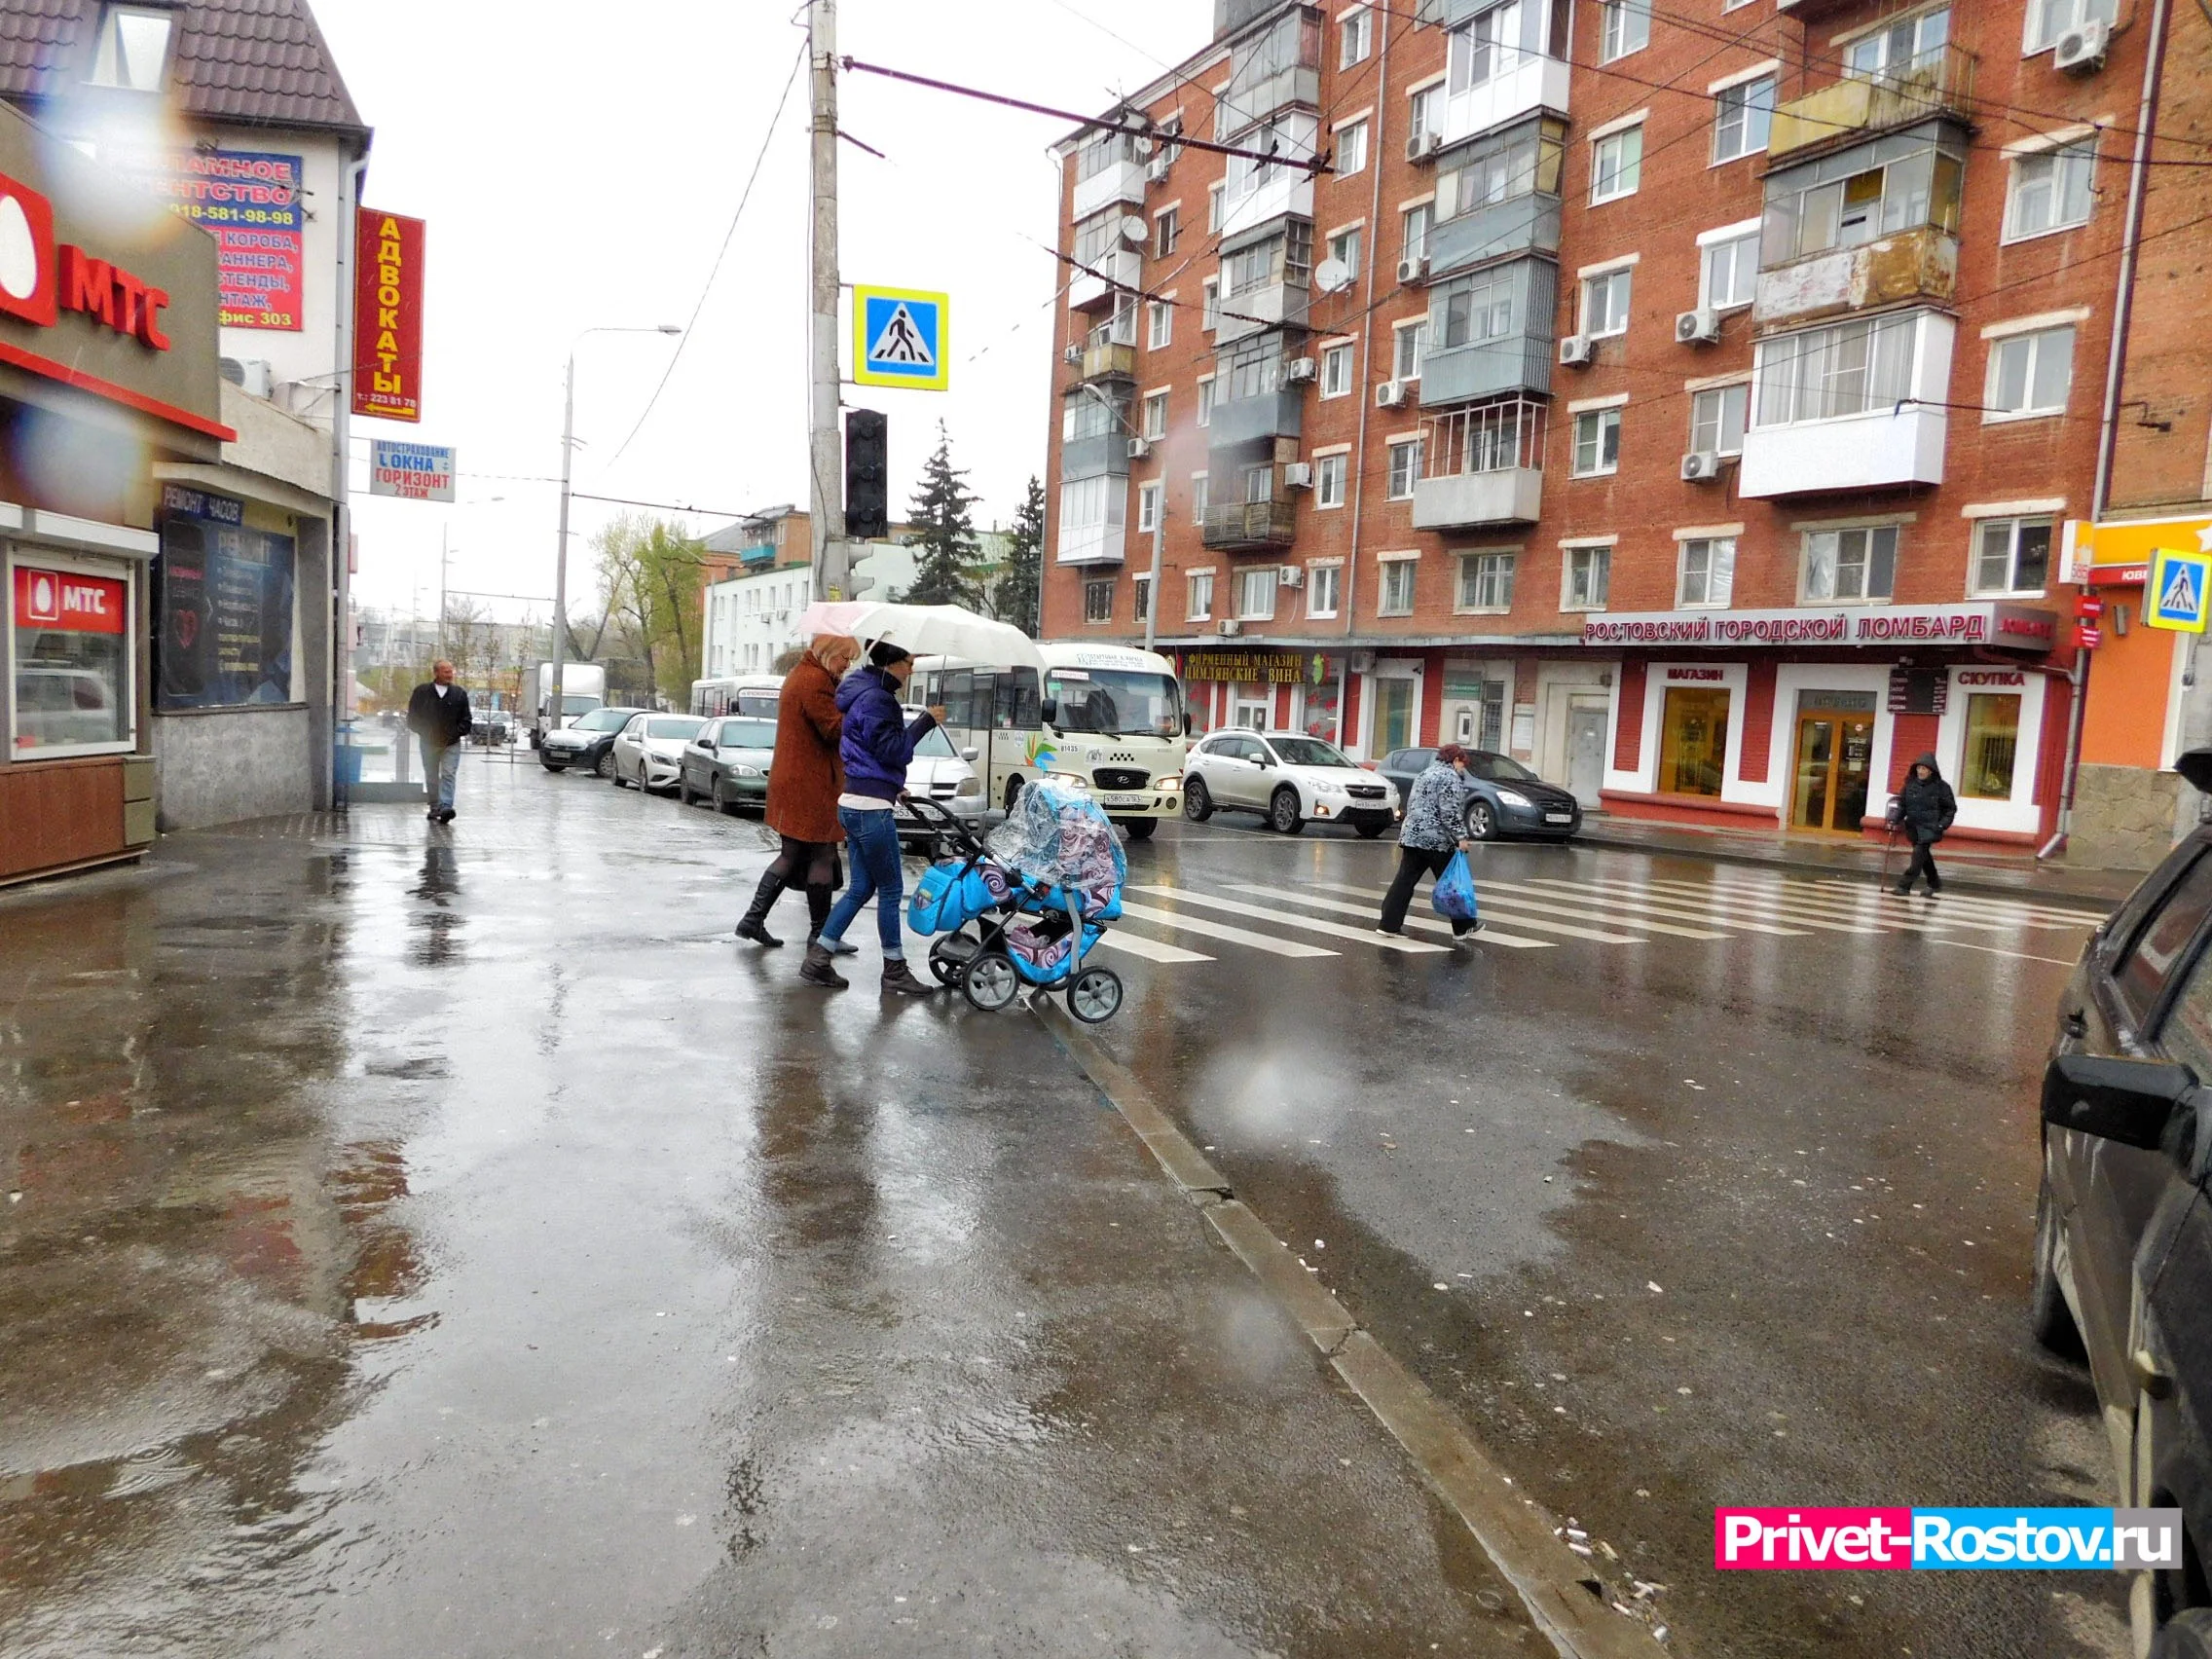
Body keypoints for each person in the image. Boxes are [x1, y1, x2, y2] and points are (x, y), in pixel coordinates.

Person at [802, 643, 943, 994]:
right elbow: (893, 749)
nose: (911, 670)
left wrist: (890, 785)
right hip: (869, 808)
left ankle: (819, 957)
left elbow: (867, 751)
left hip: (855, 799)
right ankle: (894, 969)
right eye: (908, 663)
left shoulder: (860, 693)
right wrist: (926, 721)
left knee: (862, 888)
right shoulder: (879, 699)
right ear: (892, 663)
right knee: (892, 890)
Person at [735, 634, 860, 950]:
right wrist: (856, 709)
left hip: (796, 780)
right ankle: (820, 936)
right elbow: (833, 730)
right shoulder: (815, 681)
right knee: (822, 853)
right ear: (829, 652)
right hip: (811, 783)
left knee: (791, 855)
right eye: (845, 658)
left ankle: (753, 919)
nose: (847, 665)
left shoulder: (802, 674)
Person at [1377, 743, 1483, 941]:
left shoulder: (1425, 773)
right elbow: (1449, 811)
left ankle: (1388, 924)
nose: (1462, 768)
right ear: (1455, 760)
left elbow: (1414, 803)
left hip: (1412, 835)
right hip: (1436, 840)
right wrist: (1461, 837)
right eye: (1462, 764)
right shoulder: (1449, 777)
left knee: (1404, 881)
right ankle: (1463, 927)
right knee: (1452, 883)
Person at [405, 660, 472, 824]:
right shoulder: (422, 692)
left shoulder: (459, 694)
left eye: (451, 671)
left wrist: (456, 733)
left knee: (449, 773)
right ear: (436, 673)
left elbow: (466, 719)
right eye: (445, 672)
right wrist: (425, 732)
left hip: (451, 743)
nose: (449, 675)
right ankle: (435, 805)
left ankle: (446, 806)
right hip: (429, 742)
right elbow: (413, 718)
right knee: (432, 775)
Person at [1889, 752, 1958, 897]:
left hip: (1930, 828)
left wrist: (1941, 825)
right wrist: (1894, 820)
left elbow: (1950, 809)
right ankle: (1934, 883)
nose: (1920, 771)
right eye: (1919, 768)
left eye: (1924, 769)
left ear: (1931, 771)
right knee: (1924, 857)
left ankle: (1904, 886)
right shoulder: (1910, 785)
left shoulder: (1942, 787)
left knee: (1917, 858)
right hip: (1913, 827)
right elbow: (1902, 805)